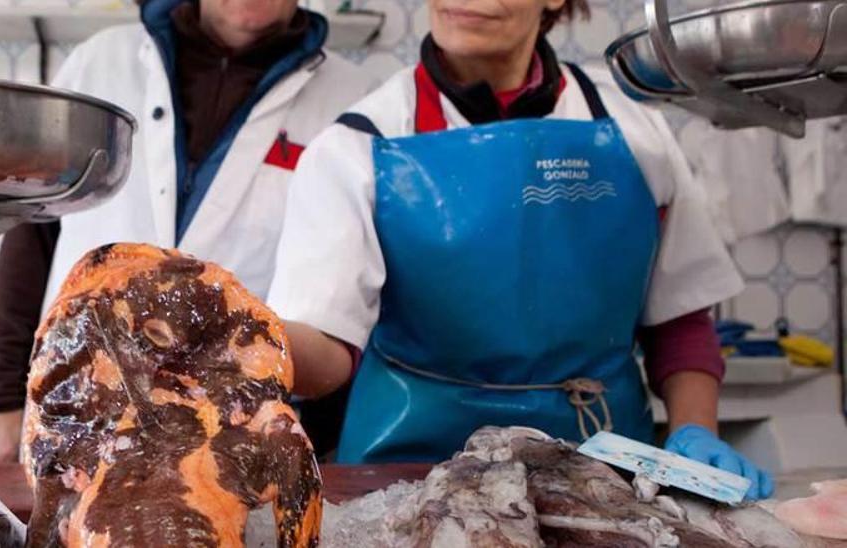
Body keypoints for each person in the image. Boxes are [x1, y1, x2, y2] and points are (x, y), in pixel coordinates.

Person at [267, 0, 775, 499]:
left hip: (604, 469)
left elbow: (679, 321)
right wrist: (246, 338)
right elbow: (328, 346)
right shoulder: (358, 145)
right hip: (409, 473)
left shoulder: (636, 133)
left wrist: (696, 432)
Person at [0, 0, 376, 463]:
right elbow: (32, 227)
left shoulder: (352, 100)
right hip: (79, 416)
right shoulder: (99, 63)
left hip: (241, 436)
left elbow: (346, 305)